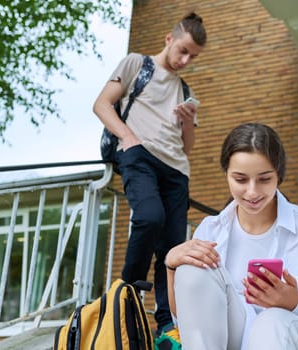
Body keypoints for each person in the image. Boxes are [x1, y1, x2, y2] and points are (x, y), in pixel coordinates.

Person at [164, 123, 298, 350]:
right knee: (193, 266)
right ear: (226, 175)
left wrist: (295, 302)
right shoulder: (211, 230)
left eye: (264, 179)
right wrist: (172, 267)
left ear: (278, 176)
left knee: (272, 320)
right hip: (236, 338)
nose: (252, 192)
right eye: (241, 180)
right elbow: (192, 324)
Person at [92, 12, 207, 349]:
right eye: (183, 50)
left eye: (193, 57)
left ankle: (167, 323)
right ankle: (125, 296)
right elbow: (101, 104)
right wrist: (128, 137)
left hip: (176, 171)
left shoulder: (185, 90)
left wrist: (188, 121)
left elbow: (187, 147)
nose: (185, 60)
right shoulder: (136, 65)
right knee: (148, 217)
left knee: (173, 249)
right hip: (138, 155)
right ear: (169, 40)